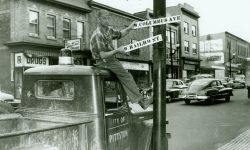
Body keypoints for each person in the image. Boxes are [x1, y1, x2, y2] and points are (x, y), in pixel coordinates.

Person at [90, 9, 152, 109]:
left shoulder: (108, 30)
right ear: (99, 19)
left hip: (111, 60)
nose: (107, 20)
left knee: (125, 77)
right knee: (127, 76)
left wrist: (129, 28)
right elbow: (102, 55)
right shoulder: (98, 35)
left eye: (108, 18)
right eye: (104, 18)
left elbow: (120, 34)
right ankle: (142, 101)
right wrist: (117, 50)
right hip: (104, 61)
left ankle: (135, 101)